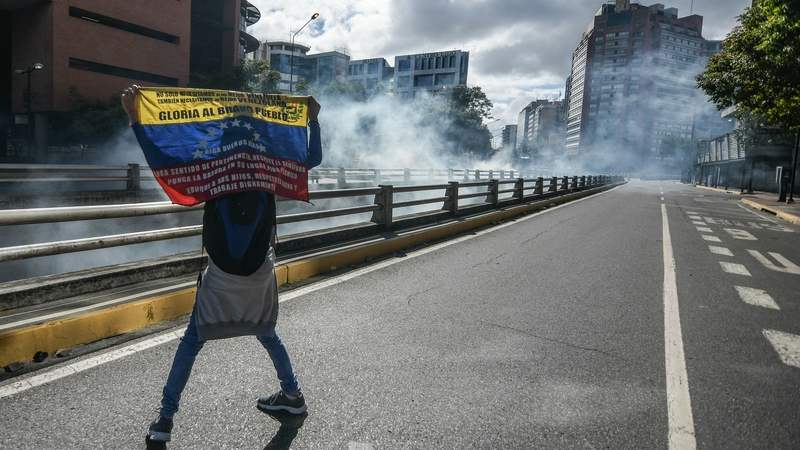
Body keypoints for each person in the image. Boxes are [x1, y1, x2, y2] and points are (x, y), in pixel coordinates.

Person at [120, 85, 322, 444]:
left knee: (193, 341)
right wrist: (313, 122)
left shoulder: (213, 171)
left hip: (221, 274)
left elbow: (163, 158)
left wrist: (135, 116)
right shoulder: (267, 171)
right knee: (266, 331)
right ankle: (292, 396)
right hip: (259, 270)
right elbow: (310, 160)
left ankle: (165, 420)